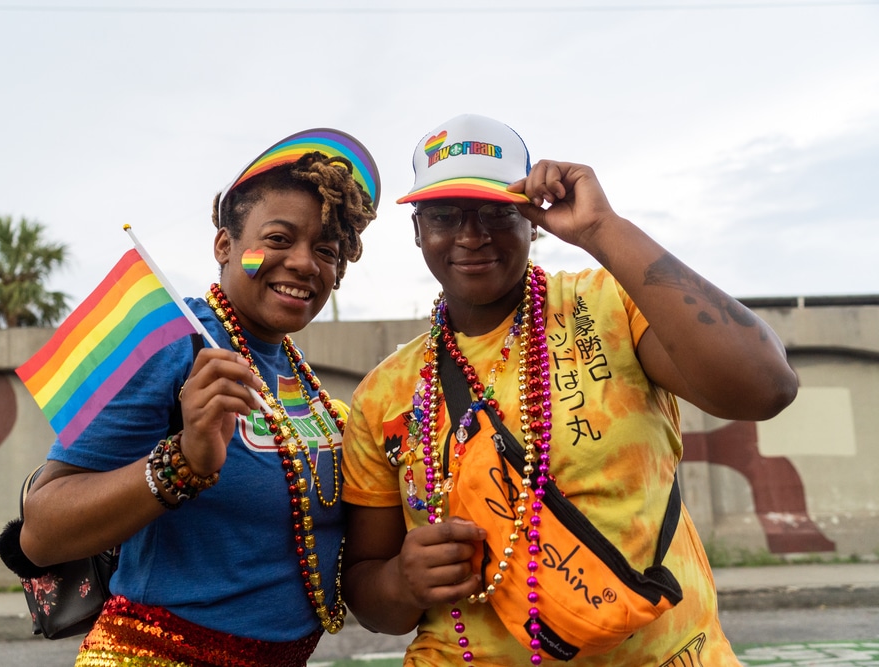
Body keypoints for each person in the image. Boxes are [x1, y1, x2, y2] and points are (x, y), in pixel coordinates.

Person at [340, 114, 798, 666]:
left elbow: (766, 387)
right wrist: (401, 583)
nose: (470, 234)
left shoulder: (611, 305)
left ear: (534, 222)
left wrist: (602, 229)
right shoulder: (383, 394)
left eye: (496, 211)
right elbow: (370, 596)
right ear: (418, 233)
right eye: (443, 216)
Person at [19, 128, 380, 667]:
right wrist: (183, 462)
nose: (305, 263)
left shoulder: (304, 384)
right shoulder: (175, 344)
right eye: (279, 239)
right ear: (225, 245)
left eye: (325, 251)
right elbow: (41, 533)